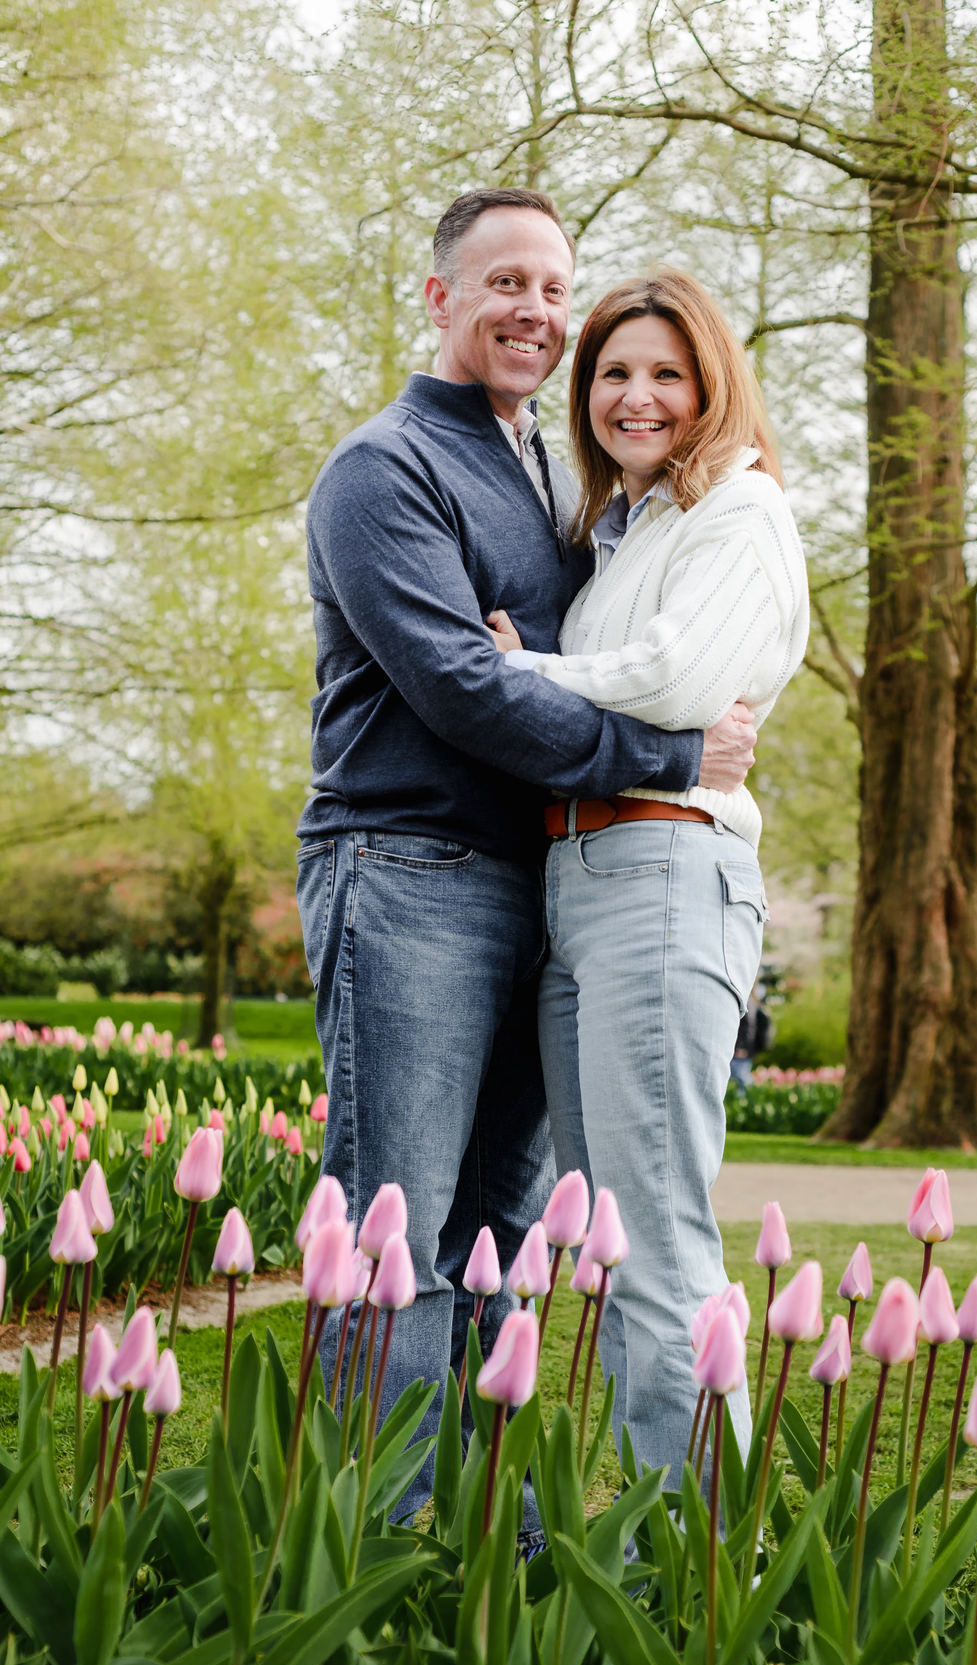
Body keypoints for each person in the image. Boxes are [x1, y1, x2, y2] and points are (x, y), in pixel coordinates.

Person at [295, 193, 756, 1529]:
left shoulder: (556, 479)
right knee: (400, 1237)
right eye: (504, 283)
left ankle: (481, 1550)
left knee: (503, 1242)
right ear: (439, 297)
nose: (536, 314)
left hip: (541, 886)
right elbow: (461, 687)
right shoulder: (383, 472)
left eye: (555, 290)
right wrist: (671, 758)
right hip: (411, 873)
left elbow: (576, 663)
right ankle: (370, 1551)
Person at [488, 269, 808, 1488]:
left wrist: (524, 670)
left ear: (710, 383)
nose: (637, 396)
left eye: (667, 373)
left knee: (657, 1235)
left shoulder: (742, 509)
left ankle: (708, 1566)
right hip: (584, 874)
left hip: (669, 863)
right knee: (613, 1238)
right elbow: (633, 667)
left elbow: (675, 686)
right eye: (614, 373)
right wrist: (556, 663)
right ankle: (665, 1538)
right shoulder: (631, 529)